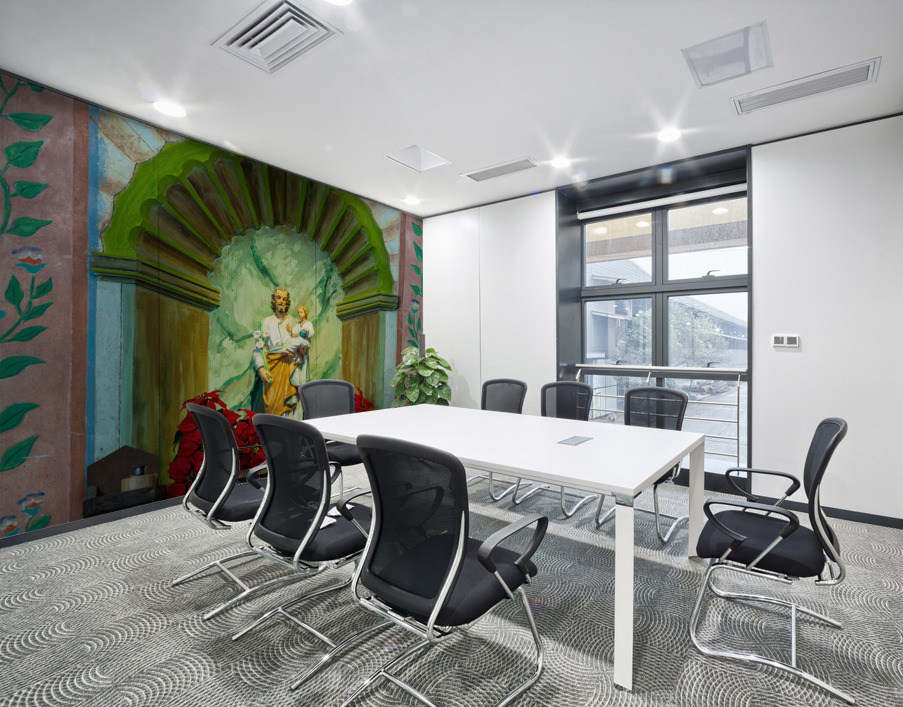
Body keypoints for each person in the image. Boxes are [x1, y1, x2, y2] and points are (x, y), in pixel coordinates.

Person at [251, 287, 312, 417]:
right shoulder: (265, 322)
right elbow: (258, 350)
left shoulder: (295, 322)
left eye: (284, 299)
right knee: (273, 408)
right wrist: (261, 368)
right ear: (274, 300)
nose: (281, 301)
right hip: (272, 370)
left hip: (291, 369)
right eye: (278, 298)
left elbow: (303, 345)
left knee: (292, 407)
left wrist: (301, 354)